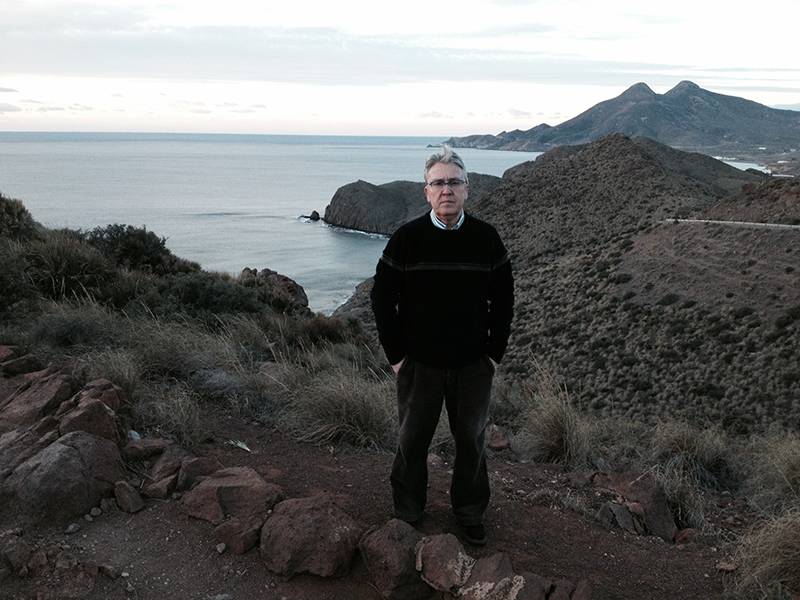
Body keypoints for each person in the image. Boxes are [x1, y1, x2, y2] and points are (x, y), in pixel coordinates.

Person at [370, 145, 514, 545]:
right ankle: (408, 510)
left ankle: (469, 513)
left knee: (471, 442)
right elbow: (382, 297)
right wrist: (397, 356)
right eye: (438, 183)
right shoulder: (406, 239)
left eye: (454, 182)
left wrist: (493, 355)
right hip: (419, 364)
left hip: (472, 365)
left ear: (467, 189)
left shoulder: (487, 238)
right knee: (412, 440)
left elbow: (504, 299)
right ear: (427, 191)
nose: (446, 189)